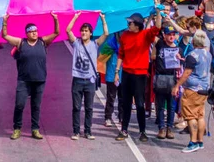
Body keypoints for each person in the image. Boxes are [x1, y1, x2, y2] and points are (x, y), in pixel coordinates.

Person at [3, 12, 60, 140]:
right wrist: (5, 21)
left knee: (36, 106)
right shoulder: (20, 43)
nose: (34, 33)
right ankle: (17, 128)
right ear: (26, 33)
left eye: (36, 30)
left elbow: (56, 33)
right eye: (31, 31)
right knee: (19, 105)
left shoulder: (43, 42)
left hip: (39, 81)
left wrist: (55, 19)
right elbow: (5, 35)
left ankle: (35, 129)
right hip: (24, 81)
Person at [114, 10, 162, 142]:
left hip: (140, 74)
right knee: (126, 103)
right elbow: (121, 54)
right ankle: (124, 130)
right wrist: (117, 71)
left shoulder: (146, 35)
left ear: (137, 25)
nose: (128, 24)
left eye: (131, 23)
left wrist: (158, 12)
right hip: (127, 73)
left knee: (140, 104)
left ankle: (142, 131)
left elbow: (157, 27)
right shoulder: (125, 36)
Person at [66, 11, 109, 140]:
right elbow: (68, 30)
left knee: (89, 107)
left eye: (86, 30)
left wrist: (103, 19)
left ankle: (88, 131)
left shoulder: (95, 44)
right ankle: (76, 131)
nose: (84, 32)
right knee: (76, 107)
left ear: (91, 33)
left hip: (89, 80)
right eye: (82, 30)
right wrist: (75, 17)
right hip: (77, 80)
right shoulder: (76, 43)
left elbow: (106, 33)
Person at [172, 29, 211, 153]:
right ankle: (200, 141)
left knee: (190, 116)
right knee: (200, 115)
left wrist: (177, 85)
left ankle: (193, 141)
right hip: (204, 88)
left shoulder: (192, 55)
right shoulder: (207, 54)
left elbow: (187, 72)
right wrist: (184, 60)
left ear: (194, 41)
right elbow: (196, 65)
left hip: (193, 90)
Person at [154, 24, 181, 140]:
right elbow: (154, 31)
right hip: (160, 77)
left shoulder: (178, 48)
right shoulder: (160, 44)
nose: (171, 36)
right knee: (160, 106)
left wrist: (180, 60)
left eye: (173, 34)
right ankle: (161, 128)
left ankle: (169, 128)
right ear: (164, 35)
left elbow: (182, 66)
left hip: (172, 79)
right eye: (169, 34)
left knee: (170, 106)